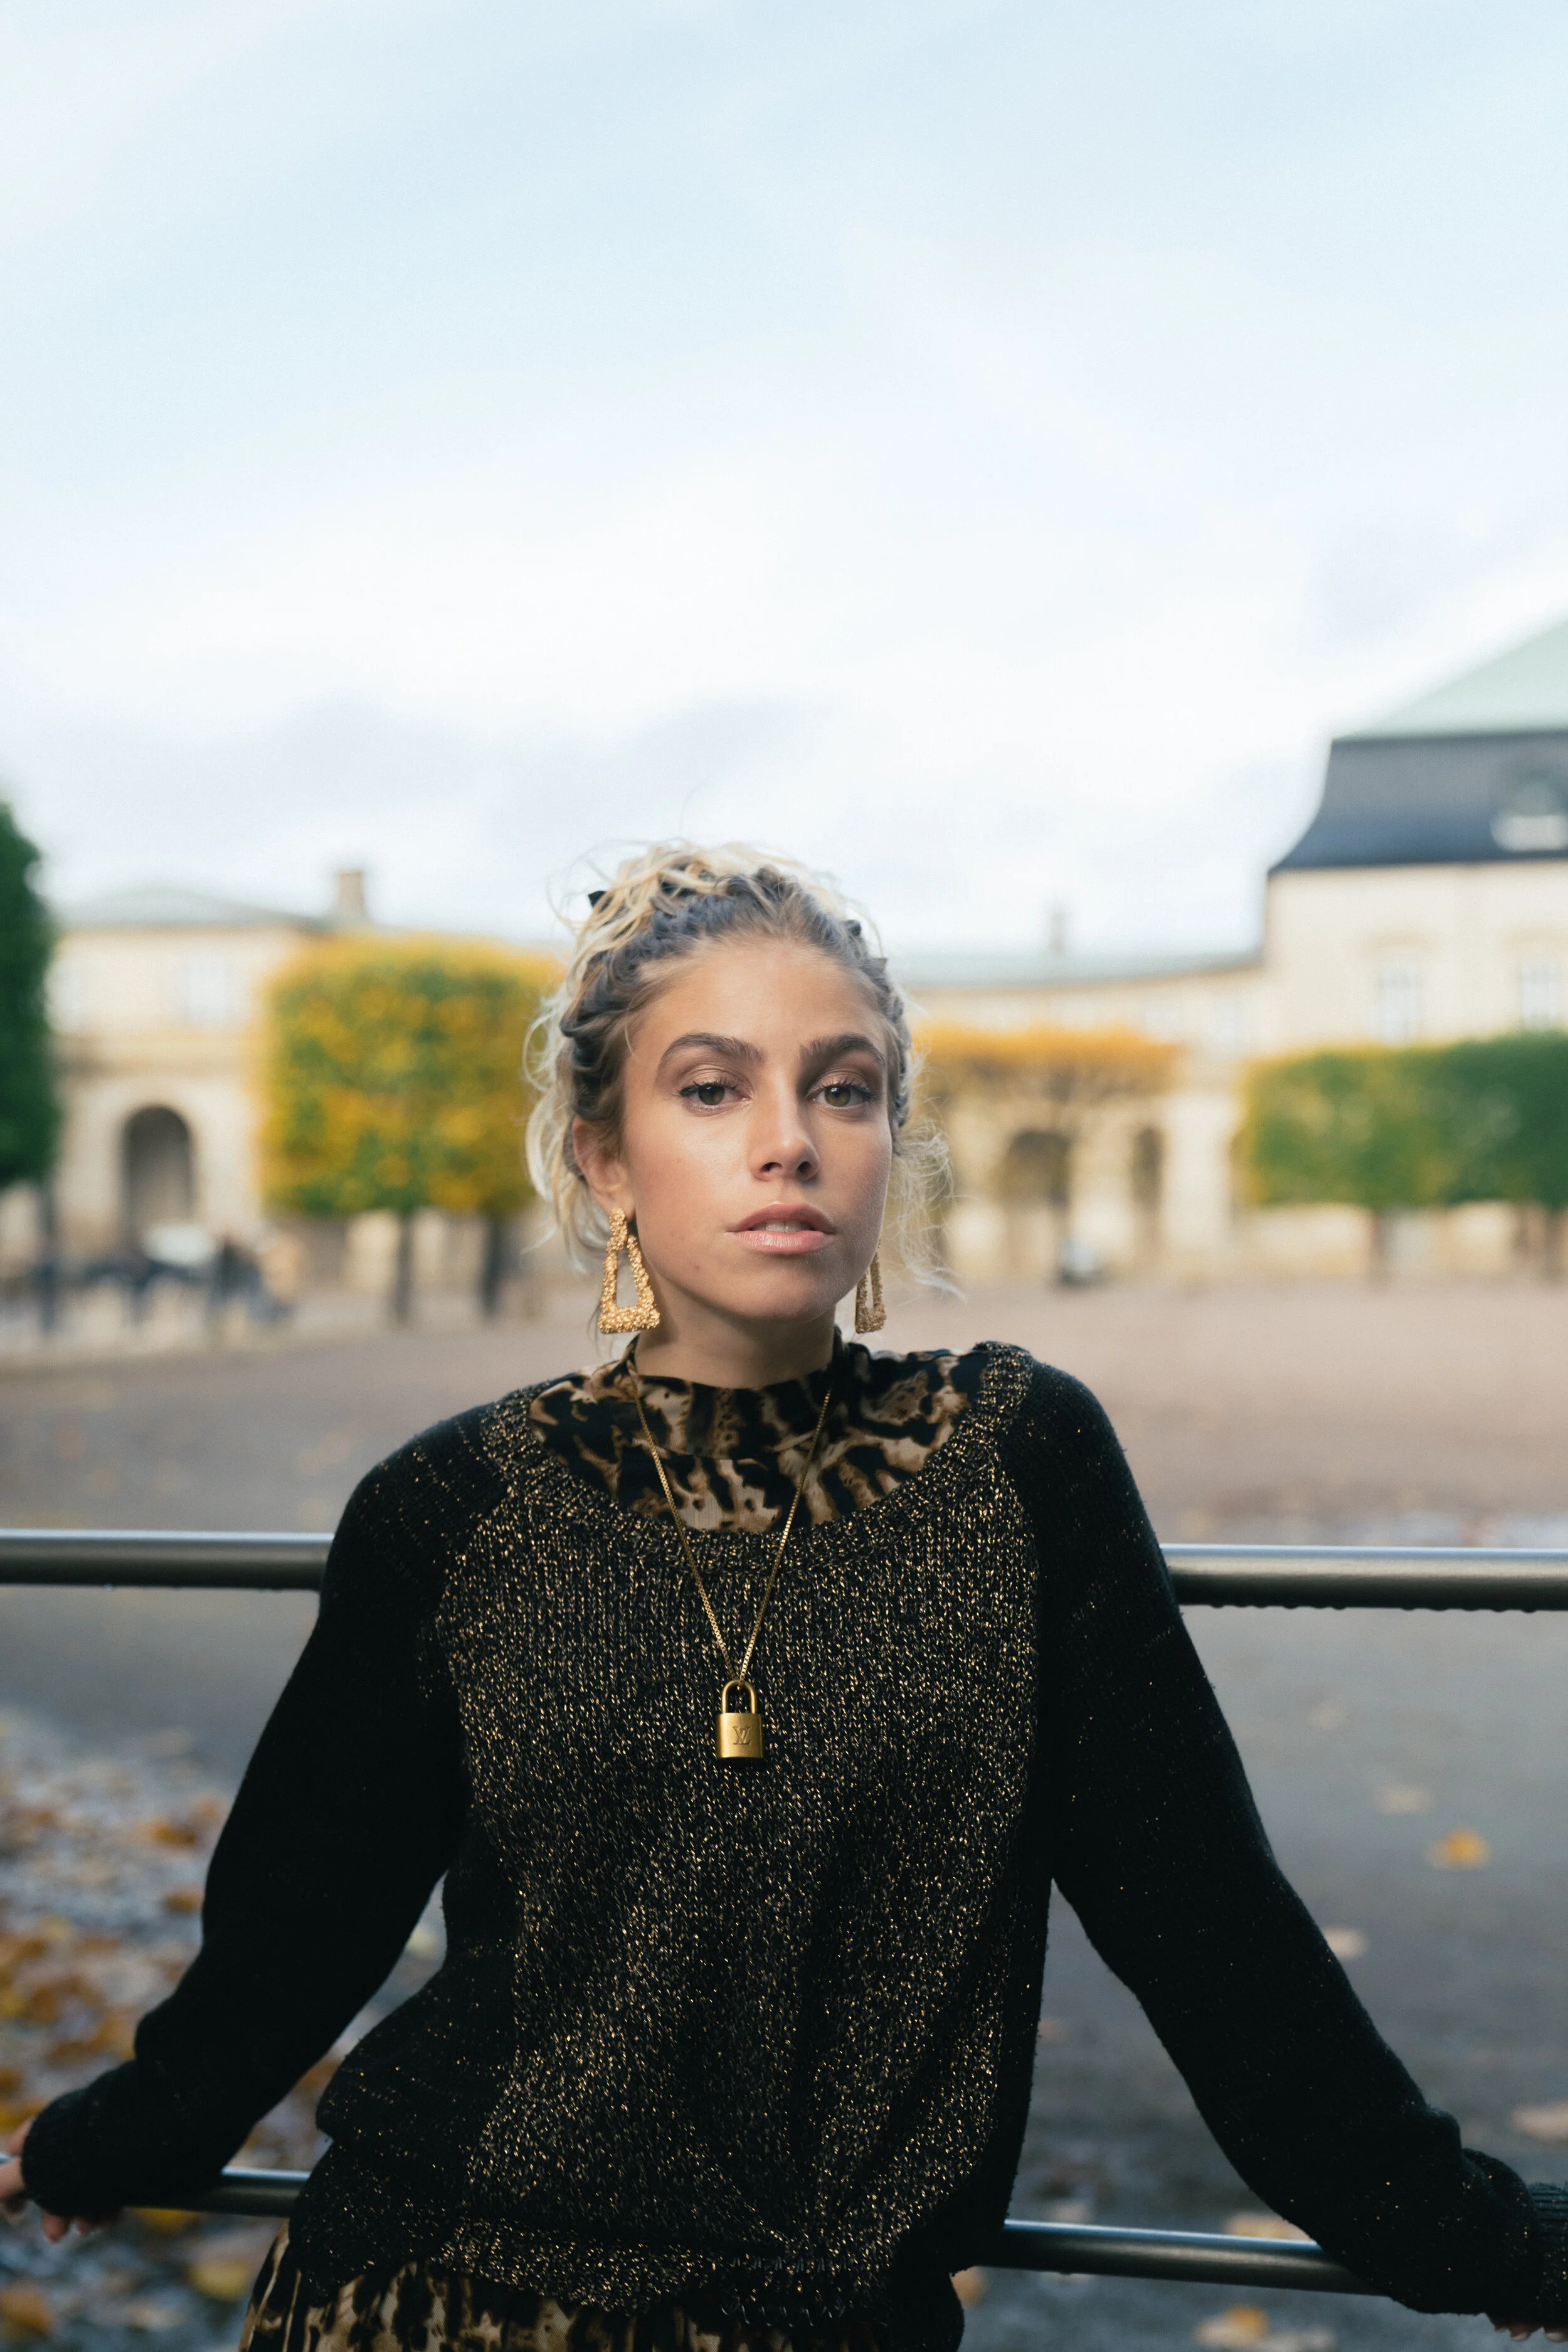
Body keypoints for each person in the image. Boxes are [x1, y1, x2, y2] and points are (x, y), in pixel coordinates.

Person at [3, 844, 1565, 2352]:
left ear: (891, 1137)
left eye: (843, 1087)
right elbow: (297, 1927)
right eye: (710, 1089)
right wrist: (112, 2139)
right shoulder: (453, 1506)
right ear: (603, 1156)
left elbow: (1204, 1921)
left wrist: (1471, 2237)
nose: (789, 1141)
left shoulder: (1017, 1463)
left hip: (825, 2323)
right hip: (425, 2293)